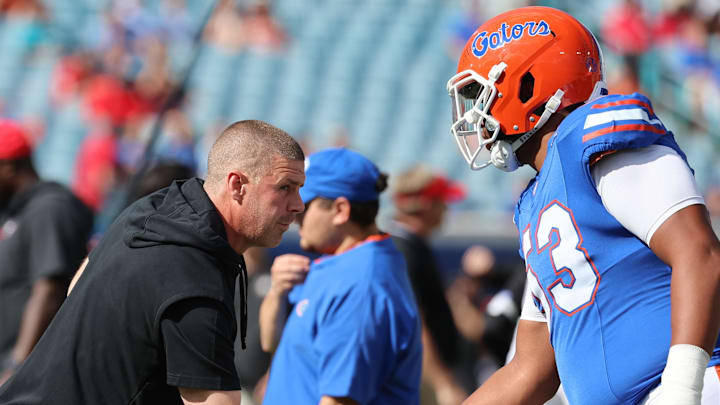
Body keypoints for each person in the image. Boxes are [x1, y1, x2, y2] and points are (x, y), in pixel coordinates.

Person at [445, 7, 720, 405]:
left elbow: (700, 253)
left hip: (687, 387)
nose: (475, 115)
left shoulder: (595, 134)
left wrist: (682, 388)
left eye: (479, 95)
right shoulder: (537, 198)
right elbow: (530, 368)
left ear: (528, 85)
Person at [0, 120, 306, 405]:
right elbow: (214, 400)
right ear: (237, 185)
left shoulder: (157, 206)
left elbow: (79, 281)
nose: (298, 205)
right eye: (284, 187)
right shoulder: (196, 273)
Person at [259, 147, 422, 405]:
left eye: (303, 206)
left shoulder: (361, 285)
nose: (293, 214)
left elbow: (341, 400)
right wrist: (277, 292)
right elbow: (271, 343)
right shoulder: (341, 264)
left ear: (340, 210)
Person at [0, 120, 93, 385]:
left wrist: (17, 365)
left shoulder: (50, 207)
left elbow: (49, 288)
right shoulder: (15, 210)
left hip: (30, 373)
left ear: (8, 168)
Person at [390, 164, 471, 405]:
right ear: (426, 204)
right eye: (441, 201)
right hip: (420, 380)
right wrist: (444, 384)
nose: (446, 208)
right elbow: (413, 324)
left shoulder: (413, 246)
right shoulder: (402, 249)